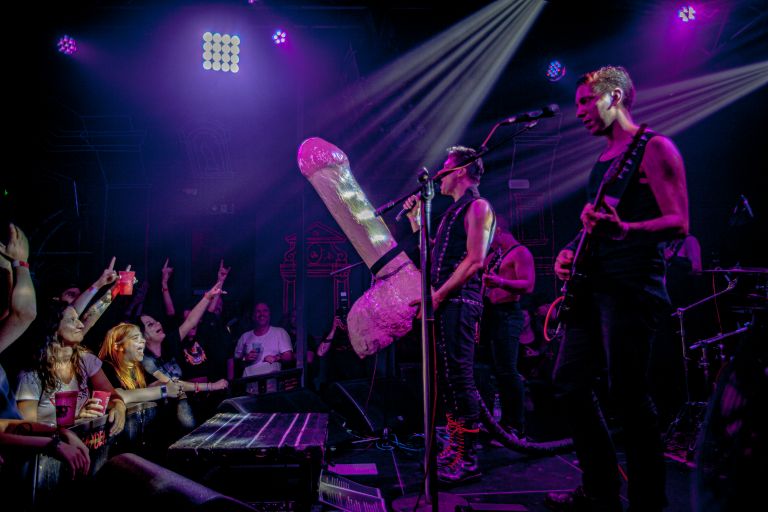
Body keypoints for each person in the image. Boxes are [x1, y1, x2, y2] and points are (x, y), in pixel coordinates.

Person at [547, 66, 689, 512]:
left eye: (586, 101)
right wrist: (570, 250)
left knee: (628, 395)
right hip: (594, 286)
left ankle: (648, 502)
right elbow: (599, 225)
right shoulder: (604, 160)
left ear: (615, 97)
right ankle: (600, 490)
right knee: (569, 382)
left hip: (631, 287)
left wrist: (625, 231)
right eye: (576, 104)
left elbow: (679, 222)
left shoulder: (654, 147)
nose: (579, 112)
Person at [404, 145, 495, 483]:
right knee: (448, 378)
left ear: (461, 171)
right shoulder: (451, 214)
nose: (439, 174)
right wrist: (416, 221)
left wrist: (439, 294)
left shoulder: (478, 207)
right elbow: (434, 256)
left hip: (460, 302)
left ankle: (468, 457)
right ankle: (456, 448)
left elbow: (475, 260)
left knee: (460, 377)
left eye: (445, 168)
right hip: (446, 302)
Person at [15, 305, 127, 436]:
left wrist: (119, 406)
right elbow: (26, 429)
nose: (81, 325)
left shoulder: (85, 360)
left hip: (82, 442)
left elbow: (112, 396)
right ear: (53, 328)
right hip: (50, 445)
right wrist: (75, 418)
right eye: (72, 320)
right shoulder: (31, 376)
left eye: (78, 319)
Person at [480, 218, 535, 437]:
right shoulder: (494, 257)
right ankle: (499, 423)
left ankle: (515, 425)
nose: (487, 242)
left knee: (507, 370)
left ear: (499, 231)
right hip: (491, 315)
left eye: (489, 236)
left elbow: (528, 284)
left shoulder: (520, 253)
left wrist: (501, 282)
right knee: (495, 371)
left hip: (508, 314)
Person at [233, 302, 294, 394]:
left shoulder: (279, 332)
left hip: (271, 387)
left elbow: (289, 356)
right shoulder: (245, 337)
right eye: (258, 311)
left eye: (265, 311)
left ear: (269, 315)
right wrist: (245, 358)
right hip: (249, 388)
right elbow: (236, 361)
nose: (261, 314)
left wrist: (276, 358)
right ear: (253, 316)